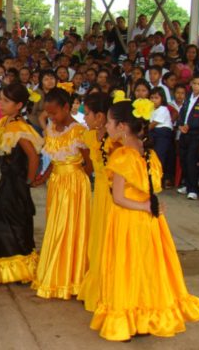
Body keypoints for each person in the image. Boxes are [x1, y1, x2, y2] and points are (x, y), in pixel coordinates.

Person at [91, 99, 199, 341]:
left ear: (123, 126)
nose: (108, 126)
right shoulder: (149, 154)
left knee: (127, 268)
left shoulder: (122, 156)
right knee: (144, 269)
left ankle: (126, 319)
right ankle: (145, 317)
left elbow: (118, 198)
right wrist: (149, 206)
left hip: (128, 220)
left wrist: (144, 205)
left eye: (111, 122)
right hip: (149, 222)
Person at [0, 83, 43, 284]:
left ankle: (19, 267)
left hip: (16, 182)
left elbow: (33, 157)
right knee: (2, 220)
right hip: (7, 181)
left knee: (13, 222)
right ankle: (7, 264)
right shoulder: (4, 123)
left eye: (6, 101)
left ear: (19, 105)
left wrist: (30, 180)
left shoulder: (19, 128)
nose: (0, 104)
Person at [31, 88, 91, 300]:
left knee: (69, 228)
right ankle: (56, 270)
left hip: (74, 184)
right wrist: (43, 178)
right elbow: (52, 158)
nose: (52, 118)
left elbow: (89, 163)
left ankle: (70, 276)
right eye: (49, 115)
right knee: (55, 226)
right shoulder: (51, 128)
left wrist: (77, 178)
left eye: (55, 113)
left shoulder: (79, 131)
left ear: (67, 108)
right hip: (56, 184)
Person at [77, 92, 114, 312]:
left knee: (111, 240)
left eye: (87, 113)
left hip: (114, 195)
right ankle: (95, 286)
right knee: (97, 239)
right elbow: (89, 165)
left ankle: (108, 289)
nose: (85, 118)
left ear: (100, 116)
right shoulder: (90, 136)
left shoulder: (116, 139)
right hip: (99, 192)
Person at [149, 87, 174, 185]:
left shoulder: (163, 109)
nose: (153, 100)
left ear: (162, 99)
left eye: (156, 98)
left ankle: (158, 180)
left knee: (159, 157)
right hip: (155, 134)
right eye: (151, 98)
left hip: (162, 134)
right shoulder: (151, 109)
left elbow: (153, 124)